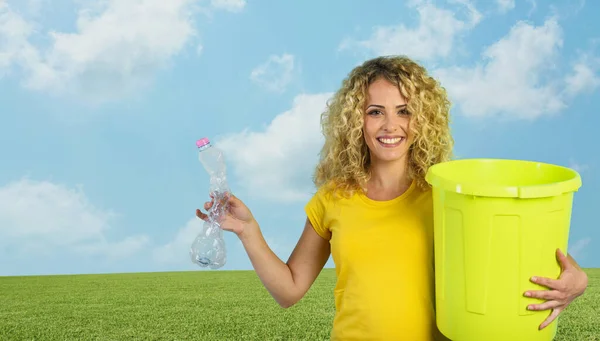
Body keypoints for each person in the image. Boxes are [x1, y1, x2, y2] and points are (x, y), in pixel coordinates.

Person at [196, 55, 589, 340]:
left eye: (404, 111)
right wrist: (248, 231)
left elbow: (523, 254)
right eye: (374, 112)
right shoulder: (333, 199)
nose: (390, 125)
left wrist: (578, 280)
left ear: (423, 120)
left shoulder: (448, 195)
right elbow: (290, 289)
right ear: (355, 122)